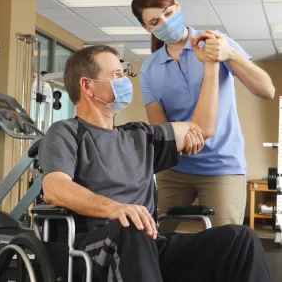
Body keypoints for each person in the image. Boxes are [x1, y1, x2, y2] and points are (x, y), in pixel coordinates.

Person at [38, 45, 273, 282]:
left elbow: (201, 129)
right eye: (116, 75)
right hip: (94, 248)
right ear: (87, 85)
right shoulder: (66, 132)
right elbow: (54, 188)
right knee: (131, 226)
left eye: (123, 74)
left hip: (147, 244)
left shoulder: (140, 135)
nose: (124, 81)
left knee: (240, 239)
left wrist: (211, 65)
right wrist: (114, 208)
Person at [131, 0, 275, 230]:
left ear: (177, 6)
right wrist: (186, 140)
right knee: (153, 237)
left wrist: (230, 54)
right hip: (174, 167)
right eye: (155, 21)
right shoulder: (149, 68)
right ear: (147, 28)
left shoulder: (216, 43)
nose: (165, 23)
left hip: (222, 166)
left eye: (168, 13)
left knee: (225, 243)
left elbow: (267, 90)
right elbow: (160, 127)